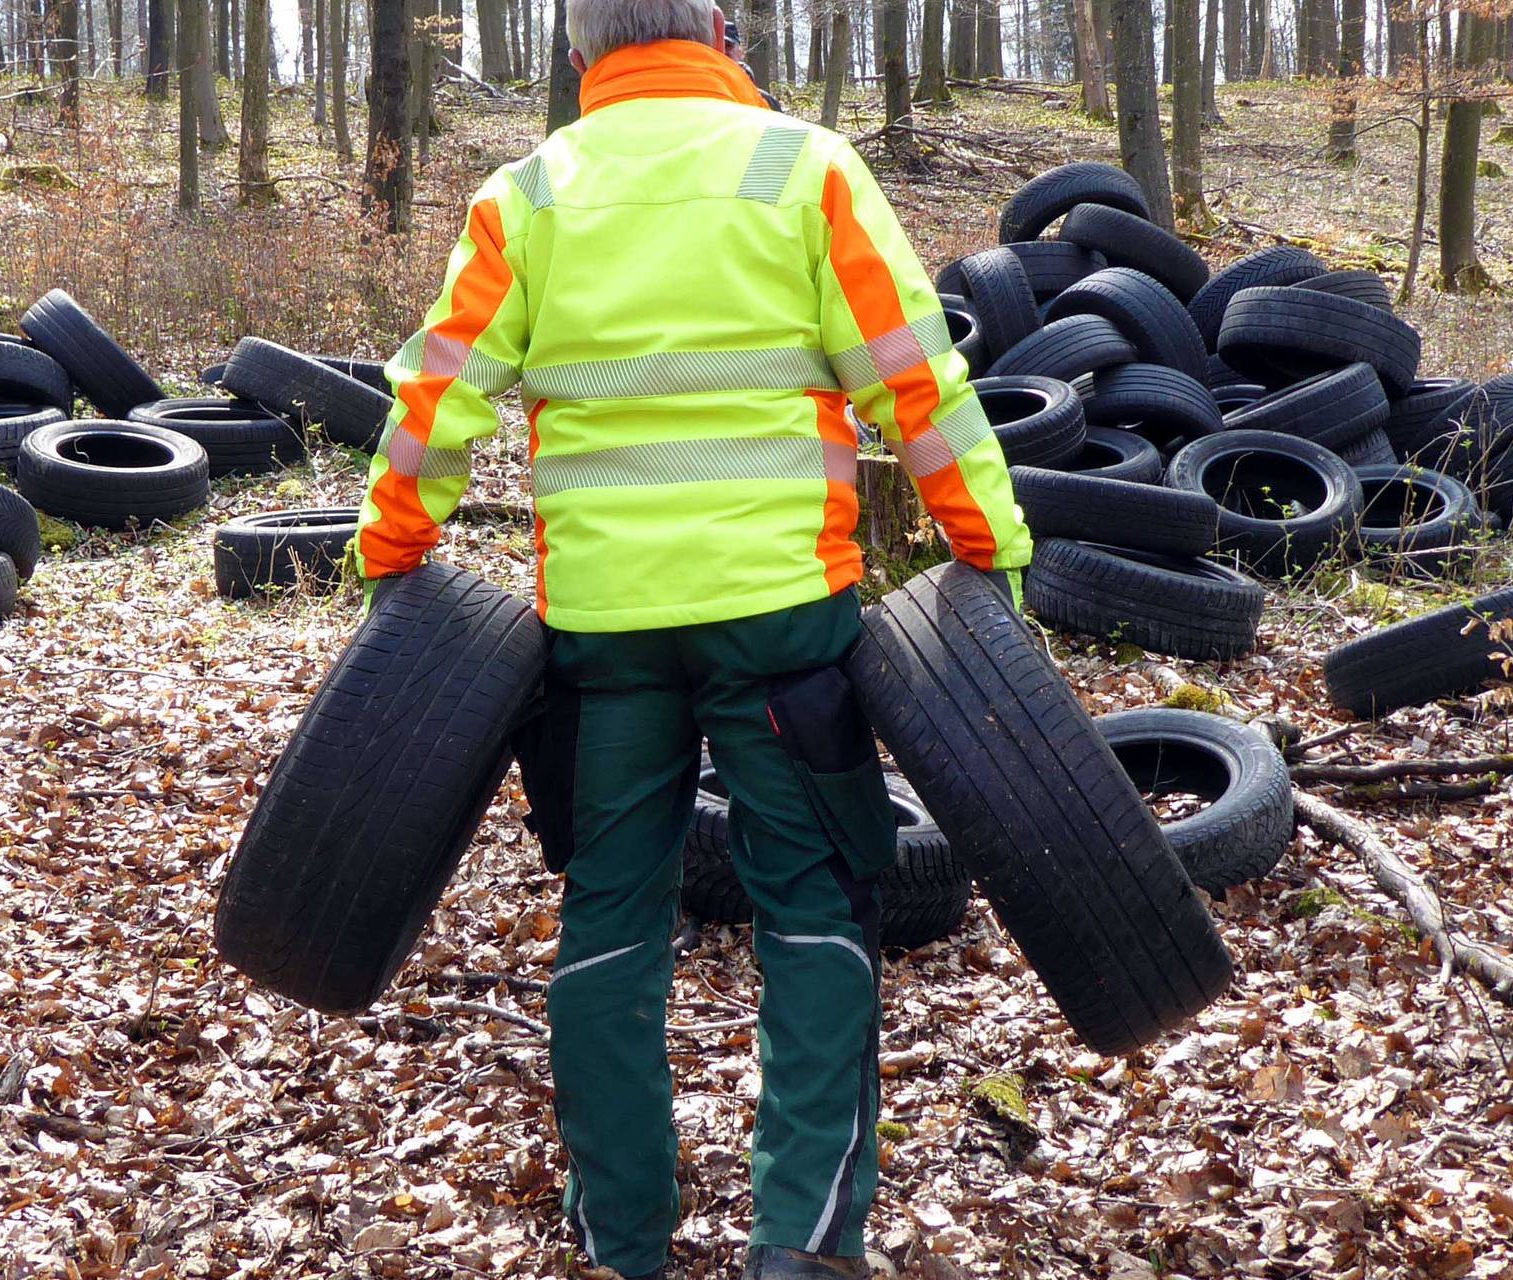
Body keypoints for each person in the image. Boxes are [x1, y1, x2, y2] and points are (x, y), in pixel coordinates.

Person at [346, 0, 1030, 1272]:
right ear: (722, 27)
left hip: (604, 636)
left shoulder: (529, 195)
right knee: (815, 908)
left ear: (571, 52)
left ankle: (625, 1242)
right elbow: (916, 380)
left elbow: (436, 395)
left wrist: (389, 547)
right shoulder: (805, 168)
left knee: (611, 917)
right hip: (782, 623)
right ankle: (804, 1244)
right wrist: (988, 545)